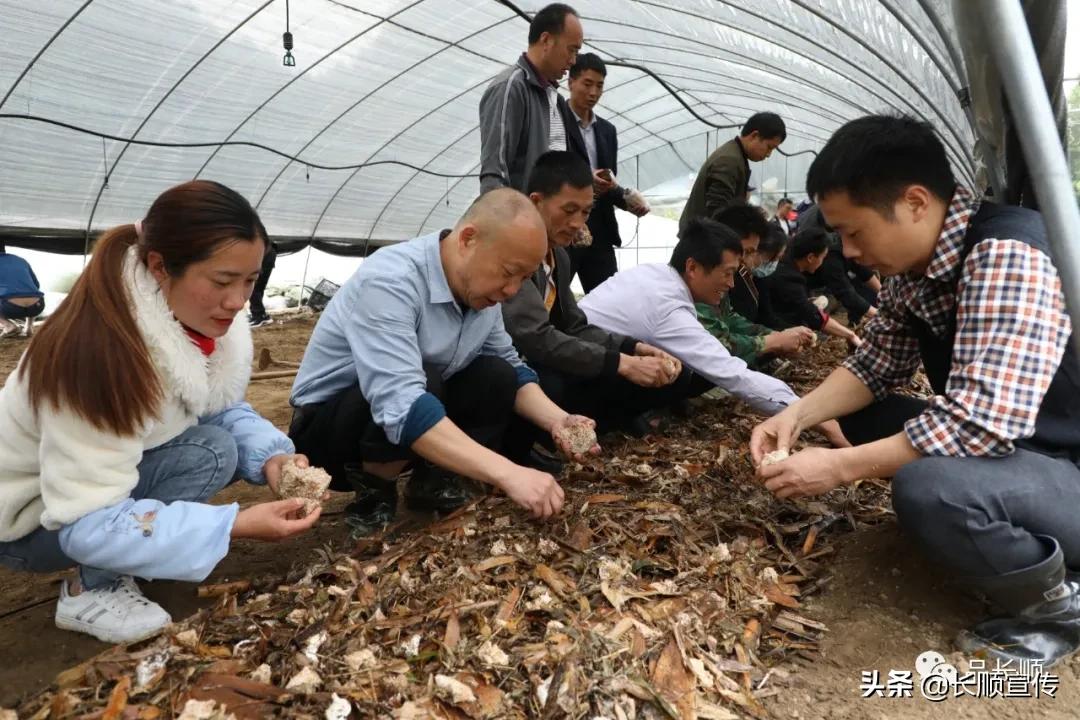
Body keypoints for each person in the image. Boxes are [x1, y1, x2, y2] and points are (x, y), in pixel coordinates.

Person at [751, 115, 1080, 667]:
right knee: (869, 415)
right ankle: (1002, 537)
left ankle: (1057, 607)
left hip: (1065, 465)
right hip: (1027, 459)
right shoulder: (919, 268)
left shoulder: (1006, 254)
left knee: (930, 488)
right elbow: (875, 363)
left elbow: (979, 424)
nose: (848, 253)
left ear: (916, 203)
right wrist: (797, 416)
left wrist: (838, 468)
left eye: (855, 233)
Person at [0, 181, 321, 643]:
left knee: (215, 448)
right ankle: (89, 588)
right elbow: (86, 522)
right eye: (223, 281)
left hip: (70, 495)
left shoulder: (184, 319)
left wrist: (271, 456)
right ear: (159, 266)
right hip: (29, 520)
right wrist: (232, 525)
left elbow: (216, 406)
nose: (238, 302)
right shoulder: (99, 356)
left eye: (250, 281)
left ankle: (131, 555)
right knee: (207, 454)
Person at [289, 189, 597, 535]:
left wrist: (559, 420)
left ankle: (433, 481)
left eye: (524, 279)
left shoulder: (483, 295)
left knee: (496, 374)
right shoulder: (393, 280)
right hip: (330, 435)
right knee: (425, 378)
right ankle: (375, 495)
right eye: (509, 272)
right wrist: (509, 473)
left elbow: (509, 364)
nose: (512, 291)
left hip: (404, 419)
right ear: (468, 239)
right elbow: (400, 401)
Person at [579, 217, 847, 446]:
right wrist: (814, 417)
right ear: (693, 267)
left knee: (679, 371)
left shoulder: (655, 274)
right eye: (727, 273)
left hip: (583, 357)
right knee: (684, 371)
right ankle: (603, 422)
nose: (731, 284)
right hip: (578, 377)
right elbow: (734, 375)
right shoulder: (668, 308)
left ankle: (620, 418)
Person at [501, 151, 686, 456]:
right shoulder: (515, 253)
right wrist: (621, 363)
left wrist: (632, 347)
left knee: (613, 372)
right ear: (535, 202)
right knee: (550, 382)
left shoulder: (558, 255)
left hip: (533, 358)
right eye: (569, 209)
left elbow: (573, 325)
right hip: (512, 362)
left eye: (586, 212)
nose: (577, 223)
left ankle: (588, 431)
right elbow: (535, 337)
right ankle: (518, 451)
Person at [563, 53, 648, 292]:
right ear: (571, 83)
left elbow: (608, 181)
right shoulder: (557, 122)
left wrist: (627, 201)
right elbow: (551, 169)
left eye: (599, 86)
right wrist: (584, 180)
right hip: (567, 226)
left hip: (599, 228)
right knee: (555, 298)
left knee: (609, 296)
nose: (593, 93)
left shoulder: (607, 131)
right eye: (587, 84)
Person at [478, 3, 583, 193]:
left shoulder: (555, 99)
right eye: (571, 50)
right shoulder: (511, 88)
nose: (574, 60)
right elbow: (495, 175)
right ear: (546, 40)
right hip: (523, 220)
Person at [678, 113, 786, 236]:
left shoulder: (736, 156)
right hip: (702, 240)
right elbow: (719, 211)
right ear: (754, 136)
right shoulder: (729, 160)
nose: (768, 154)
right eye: (769, 147)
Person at [768, 228, 862, 347]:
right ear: (811, 257)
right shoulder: (789, 277)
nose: (823, 262)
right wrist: (850, 334)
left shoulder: (787, 267)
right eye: (823, 257)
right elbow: (813, 315)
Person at [798, 203, 880, 324]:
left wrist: (882, 292)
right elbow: (844, 291)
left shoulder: (844, 227)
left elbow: (861, 269)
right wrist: (878, 315)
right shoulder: (829, 253)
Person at [715, 205, 781, 329]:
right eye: (747, 251)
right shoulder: (706, 286)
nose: (746, 261)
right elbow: (721, 338)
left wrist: (775, 337)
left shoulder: (736, 276)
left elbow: (731, 320)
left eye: (752, 252)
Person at [0, 245, 45, 337]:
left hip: (10, 308)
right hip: (37, 306)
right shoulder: (20, 260)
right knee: (31, 291)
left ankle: (8, 325)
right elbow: (36, 285)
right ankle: (29, 327)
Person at [247, 239, 277, 328]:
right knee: (258, 288)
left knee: (254, 288)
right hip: (267, 256)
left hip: (265, 258)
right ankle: (259, 314)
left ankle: (259, 316)